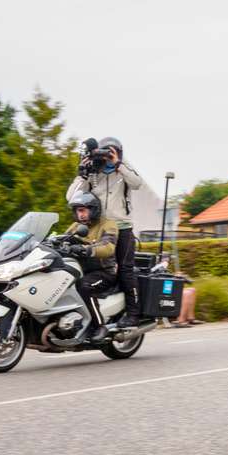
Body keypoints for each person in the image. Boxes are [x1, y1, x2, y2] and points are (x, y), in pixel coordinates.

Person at [66, 136, 143, 328]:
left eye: (110, 153)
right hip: (99, 227)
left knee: (125, 270)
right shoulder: (94, 172)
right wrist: (83, 173)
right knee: (90, 267)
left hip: (122, 227)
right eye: (103, 153)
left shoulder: (123, 169)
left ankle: (133, 314)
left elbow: (137, 183)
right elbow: (71, 197)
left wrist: (118, 163)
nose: (106, 158)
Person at [65, 191, 118, 342]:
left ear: (93, 209)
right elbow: (63, 238)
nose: (80, 214)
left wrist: (87, 249)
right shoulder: (76, 226)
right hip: (82, 270)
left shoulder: (108, 225)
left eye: (83, 210)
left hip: (104, 272)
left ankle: (100, 326)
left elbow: (108, 247)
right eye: (77, 211)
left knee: (84, 286)